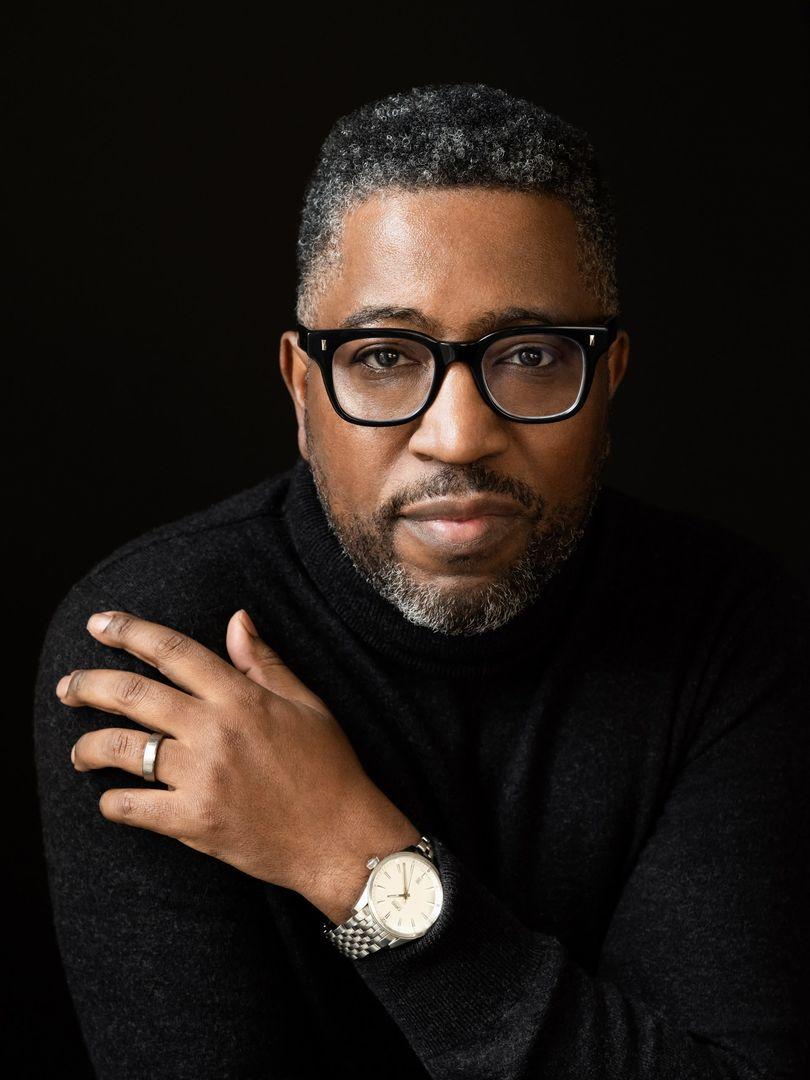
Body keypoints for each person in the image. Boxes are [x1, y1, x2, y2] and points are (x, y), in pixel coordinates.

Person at [33, 82, 809, 1080]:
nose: (458, 436)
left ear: (608, 377)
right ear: (302, 389)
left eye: (530, 356)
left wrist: (355, 865)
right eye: (385, 357)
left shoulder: (734, 632)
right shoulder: (159, 649)